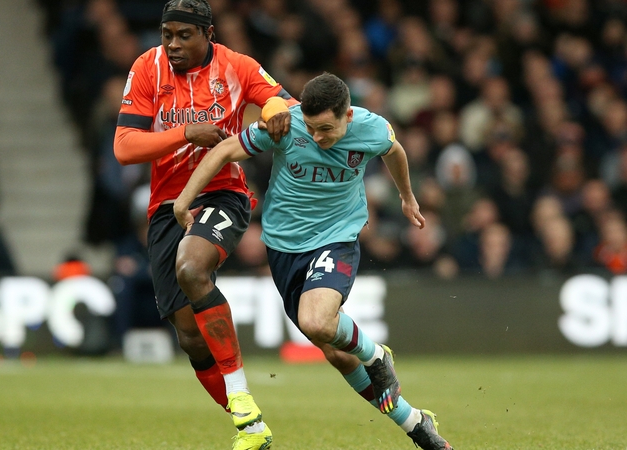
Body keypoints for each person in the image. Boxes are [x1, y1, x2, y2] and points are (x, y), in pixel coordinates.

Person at [174, 73, 454, 450]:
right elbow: (224, 151)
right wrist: (184, 199)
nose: (317, 137)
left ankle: (375, 355)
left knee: (316, 321)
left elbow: (395, 151)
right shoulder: (285, 124)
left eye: (326, 128)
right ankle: (415, 423)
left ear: (347, 116)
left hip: (337, 238)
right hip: (283, 248)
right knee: (335, 352)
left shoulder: (371, 127)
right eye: (312, 128)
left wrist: (407, 197)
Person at [113, 1, 295, 448]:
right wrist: (185, 132)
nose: (172, 44)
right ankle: (252, 428)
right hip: (166, 206)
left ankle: (242, 396)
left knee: (192, 268)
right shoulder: (147, 67)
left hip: (223, 193)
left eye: (183, 35)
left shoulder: (236, 65)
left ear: (207, 34)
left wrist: (273, 109)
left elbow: (280, 98)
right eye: (166, 34)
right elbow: (125, 146)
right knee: (191, 339)